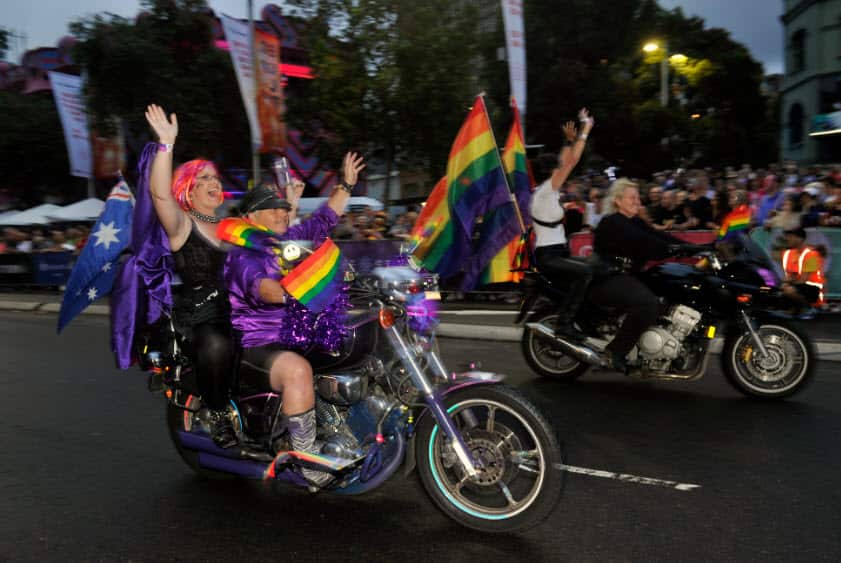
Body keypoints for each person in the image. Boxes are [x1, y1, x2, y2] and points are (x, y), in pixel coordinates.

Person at [143, 104, 305, 447]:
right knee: (217, 342)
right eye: (203, 178)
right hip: (205, 312)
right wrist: (166, 145)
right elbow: (159, 194)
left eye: (215, 177)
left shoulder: (236, 227)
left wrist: (289, 204)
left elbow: (275, 241)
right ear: (187, 188)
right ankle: (217, 412)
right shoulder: (181, 224)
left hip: (245, 304)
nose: (213, 183)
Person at [223, 152, 365, 485]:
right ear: (251, 217)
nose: (281, 212)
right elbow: (267, 290)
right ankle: (308, 462)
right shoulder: (244, 252)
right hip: (258, 341)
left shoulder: (286, 242)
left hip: (295, 334)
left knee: (347, 348)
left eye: (283, 208)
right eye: (272, 208)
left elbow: (325, 220)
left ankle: (342, 426)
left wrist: (346, 183)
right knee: (298, 370)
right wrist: (305, 290)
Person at [590, 178, 688, 372]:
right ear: (618, 201)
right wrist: (677, 248)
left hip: (627, 275)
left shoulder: (633, 221)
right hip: (609, 277)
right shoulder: (612, 222)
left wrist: (693, 247)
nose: (637, 201)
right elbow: (645, 242)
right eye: (632, 197)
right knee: (647, 304)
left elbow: (658, 236)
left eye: (637, 197)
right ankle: (614, 352)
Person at [528, 108, 595, 340]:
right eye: (557, 167)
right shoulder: (546, 192)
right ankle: (565, 324)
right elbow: (571, 161)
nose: (562, 169)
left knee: (600, 265)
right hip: (550, 256)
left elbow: (566, 160)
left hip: (558, 252)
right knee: (586, 273)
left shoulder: (546, 192)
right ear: (550, 172)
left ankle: (592, 319)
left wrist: (568, 141)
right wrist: (585, 129)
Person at [780, 226, 825, 309]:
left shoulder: (811, 255)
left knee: (789, 291)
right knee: (770, 290)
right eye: (787, 236)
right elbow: (789, 275)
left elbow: (803, 279)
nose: (787, 239)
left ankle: (806, 308)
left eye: (790, 237)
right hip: (796, 285)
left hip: (812, 289)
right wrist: (785, 284)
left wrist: (787, 284)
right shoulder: (787, 253)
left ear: (800, 239)